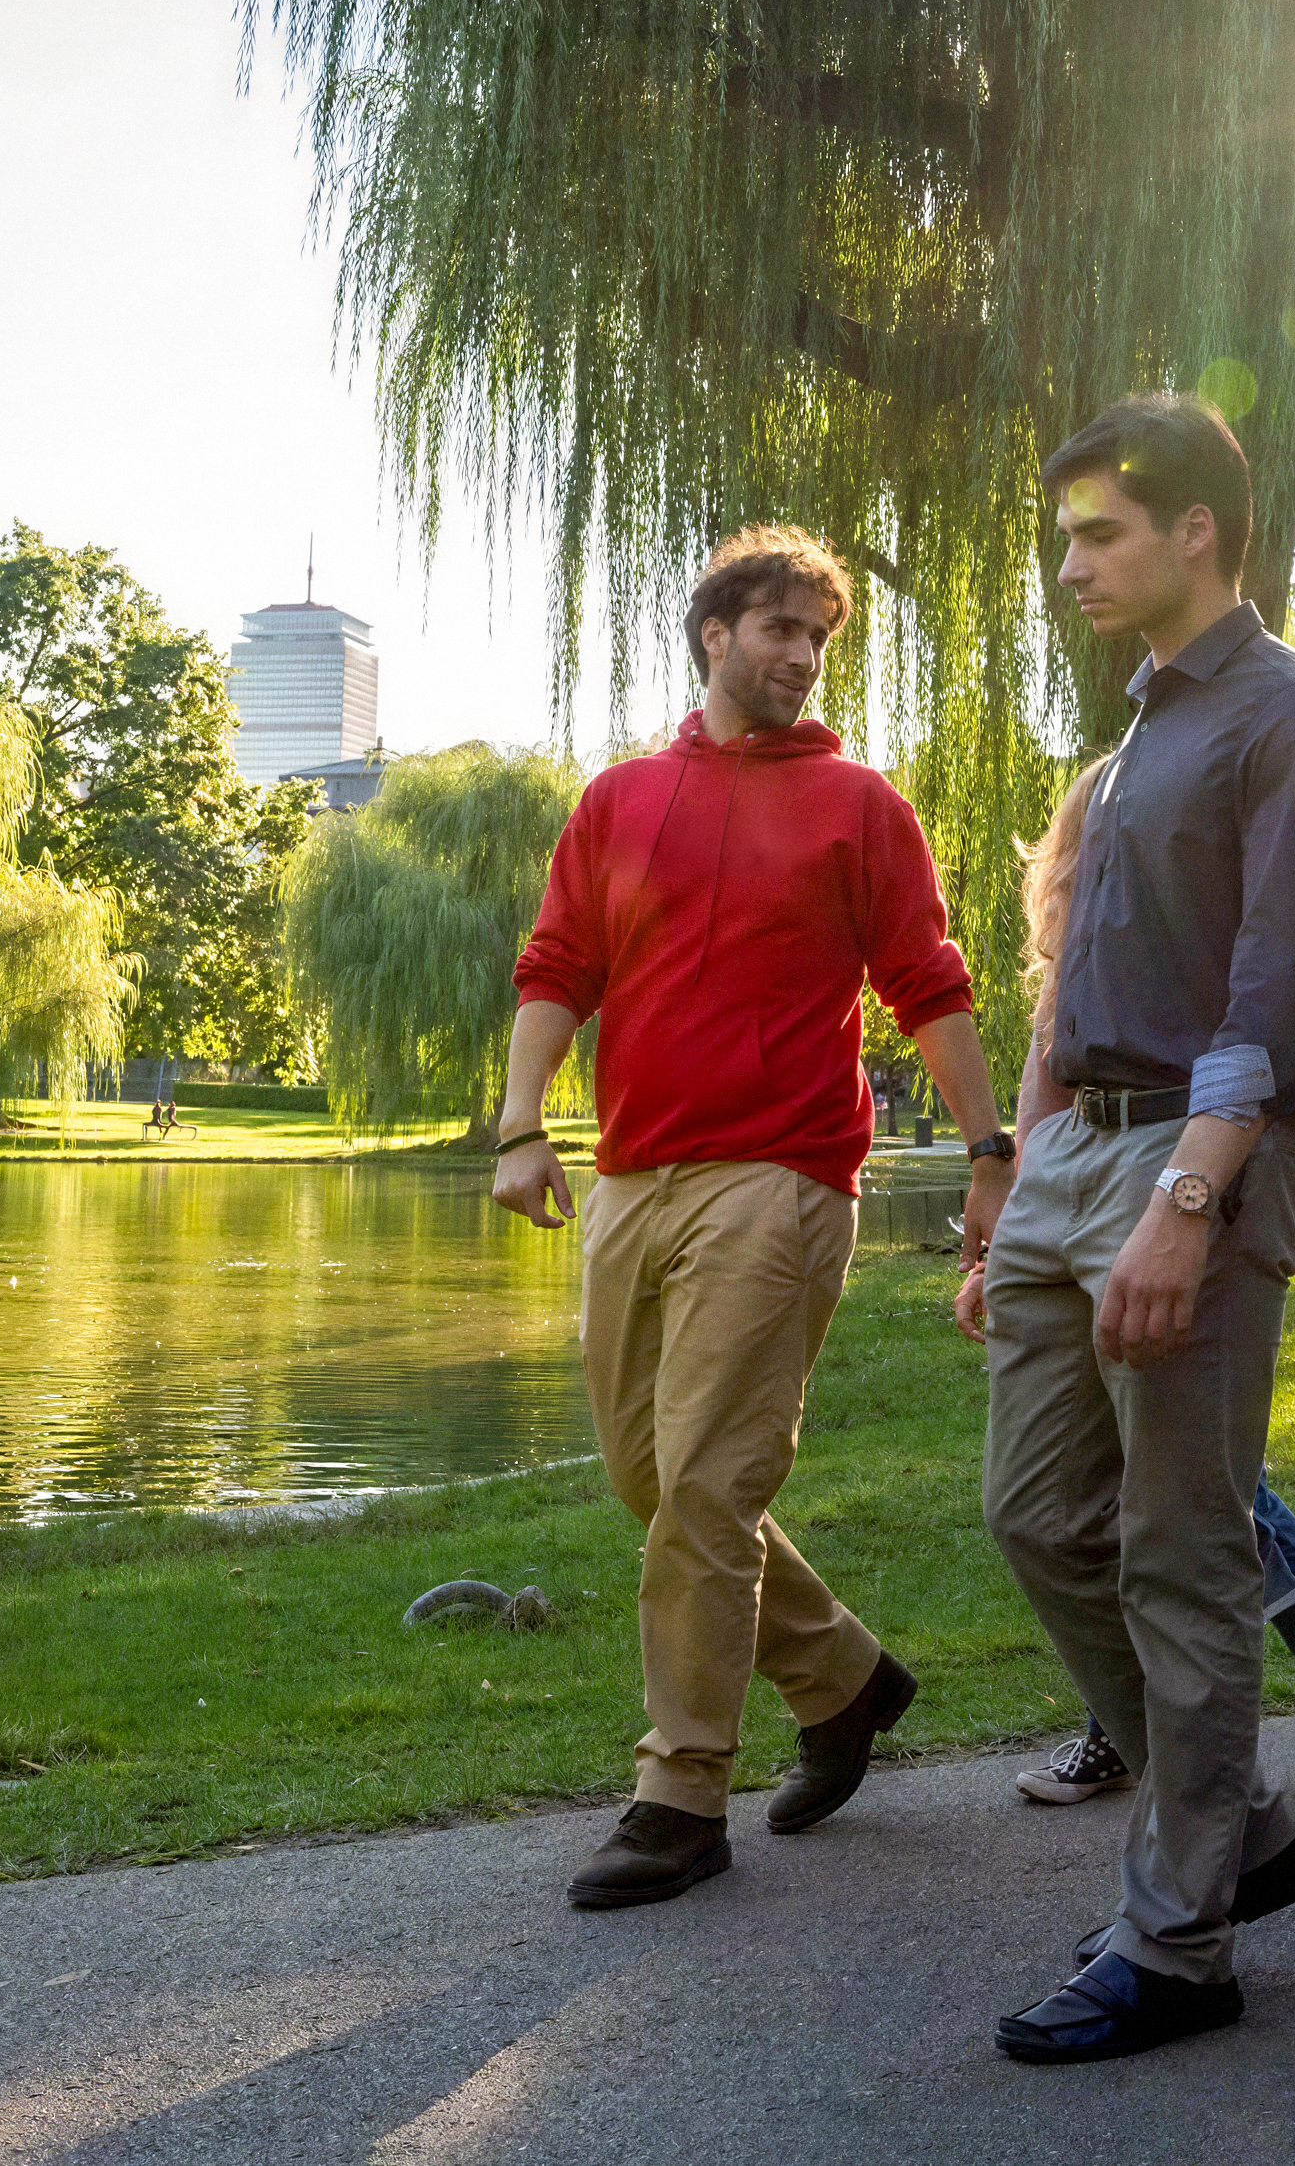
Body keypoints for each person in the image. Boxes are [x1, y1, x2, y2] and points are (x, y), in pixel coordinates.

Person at [492, 526, 1018, 1914]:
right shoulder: (618, 798)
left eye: (818, 639)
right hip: (631, 1172)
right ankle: (844, 1673)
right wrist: (519, 1119)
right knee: (648, 1478)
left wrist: (986, 1147)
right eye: (778, 628)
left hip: (781, 1173)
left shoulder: (859, 805)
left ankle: (681, 1792)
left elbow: (928, 982)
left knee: (711, 1484)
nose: (798, 655)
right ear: (714, 632)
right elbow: (560, 961)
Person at [971, 395, 1295, 2066]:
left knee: (1186, 1549)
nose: (1072, 563)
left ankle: (1181, 1936)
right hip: (1079, 1151)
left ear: (1200, 528)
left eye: (1101, 533)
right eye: (1068, 536)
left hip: (1202, 1159)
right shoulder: (1139, 731)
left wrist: (1191, 1197)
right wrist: (1024, 1158)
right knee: (1035, 1511)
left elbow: (1273, 992)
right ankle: (1241, 1834)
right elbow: (1080, 968)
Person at [986, 759, 1295, 1809]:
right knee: (1084, 1498)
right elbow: (1045, 1106)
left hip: (1181, 1203)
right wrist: (1003, 1250)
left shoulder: (1195, 944)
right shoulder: (1074, 960)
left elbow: (1259, 1103)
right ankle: (1127, 1728)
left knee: (1199, 1499)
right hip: (1073, 1215)